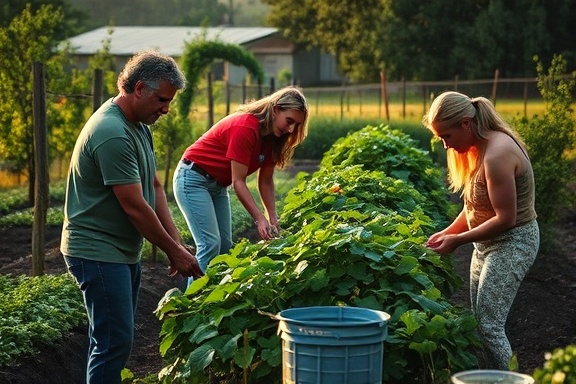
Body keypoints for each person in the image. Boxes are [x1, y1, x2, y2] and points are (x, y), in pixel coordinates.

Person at [60, 50, 203, 384]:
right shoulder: (112, 132)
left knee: (114, 338)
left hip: (120, 248)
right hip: (95, 250)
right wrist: (173, 251)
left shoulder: (139, 125)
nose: (166, 109)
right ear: (139, 88)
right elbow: (135, 206)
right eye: (162, 100)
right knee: (113, 342)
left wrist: (177, 244)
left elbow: (154, 186)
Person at [422, 91, 539, 370]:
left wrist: (458, 240)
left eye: (446, 136)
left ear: (465, 123)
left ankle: (509, 379)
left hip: (512, 243)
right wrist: (446, 233)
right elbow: (474, 207)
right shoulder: (477, 147)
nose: (445, 145)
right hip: (486, 244)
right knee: (479, 322)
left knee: (489, 325)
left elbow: (505, 218)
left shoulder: (497, 154)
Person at [173, 86, 309, 286]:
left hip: (218, 185)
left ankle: (213, 301)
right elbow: (239, 182)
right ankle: (190, 307)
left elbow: (266, 180)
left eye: (295, 125)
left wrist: (272, 217)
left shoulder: (273, 137)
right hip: (194, 178)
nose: (290, 129)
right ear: (276, 108)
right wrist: (259, 219)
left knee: (225, 247)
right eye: (289, 121)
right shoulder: (245, 126)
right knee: (210, 245)